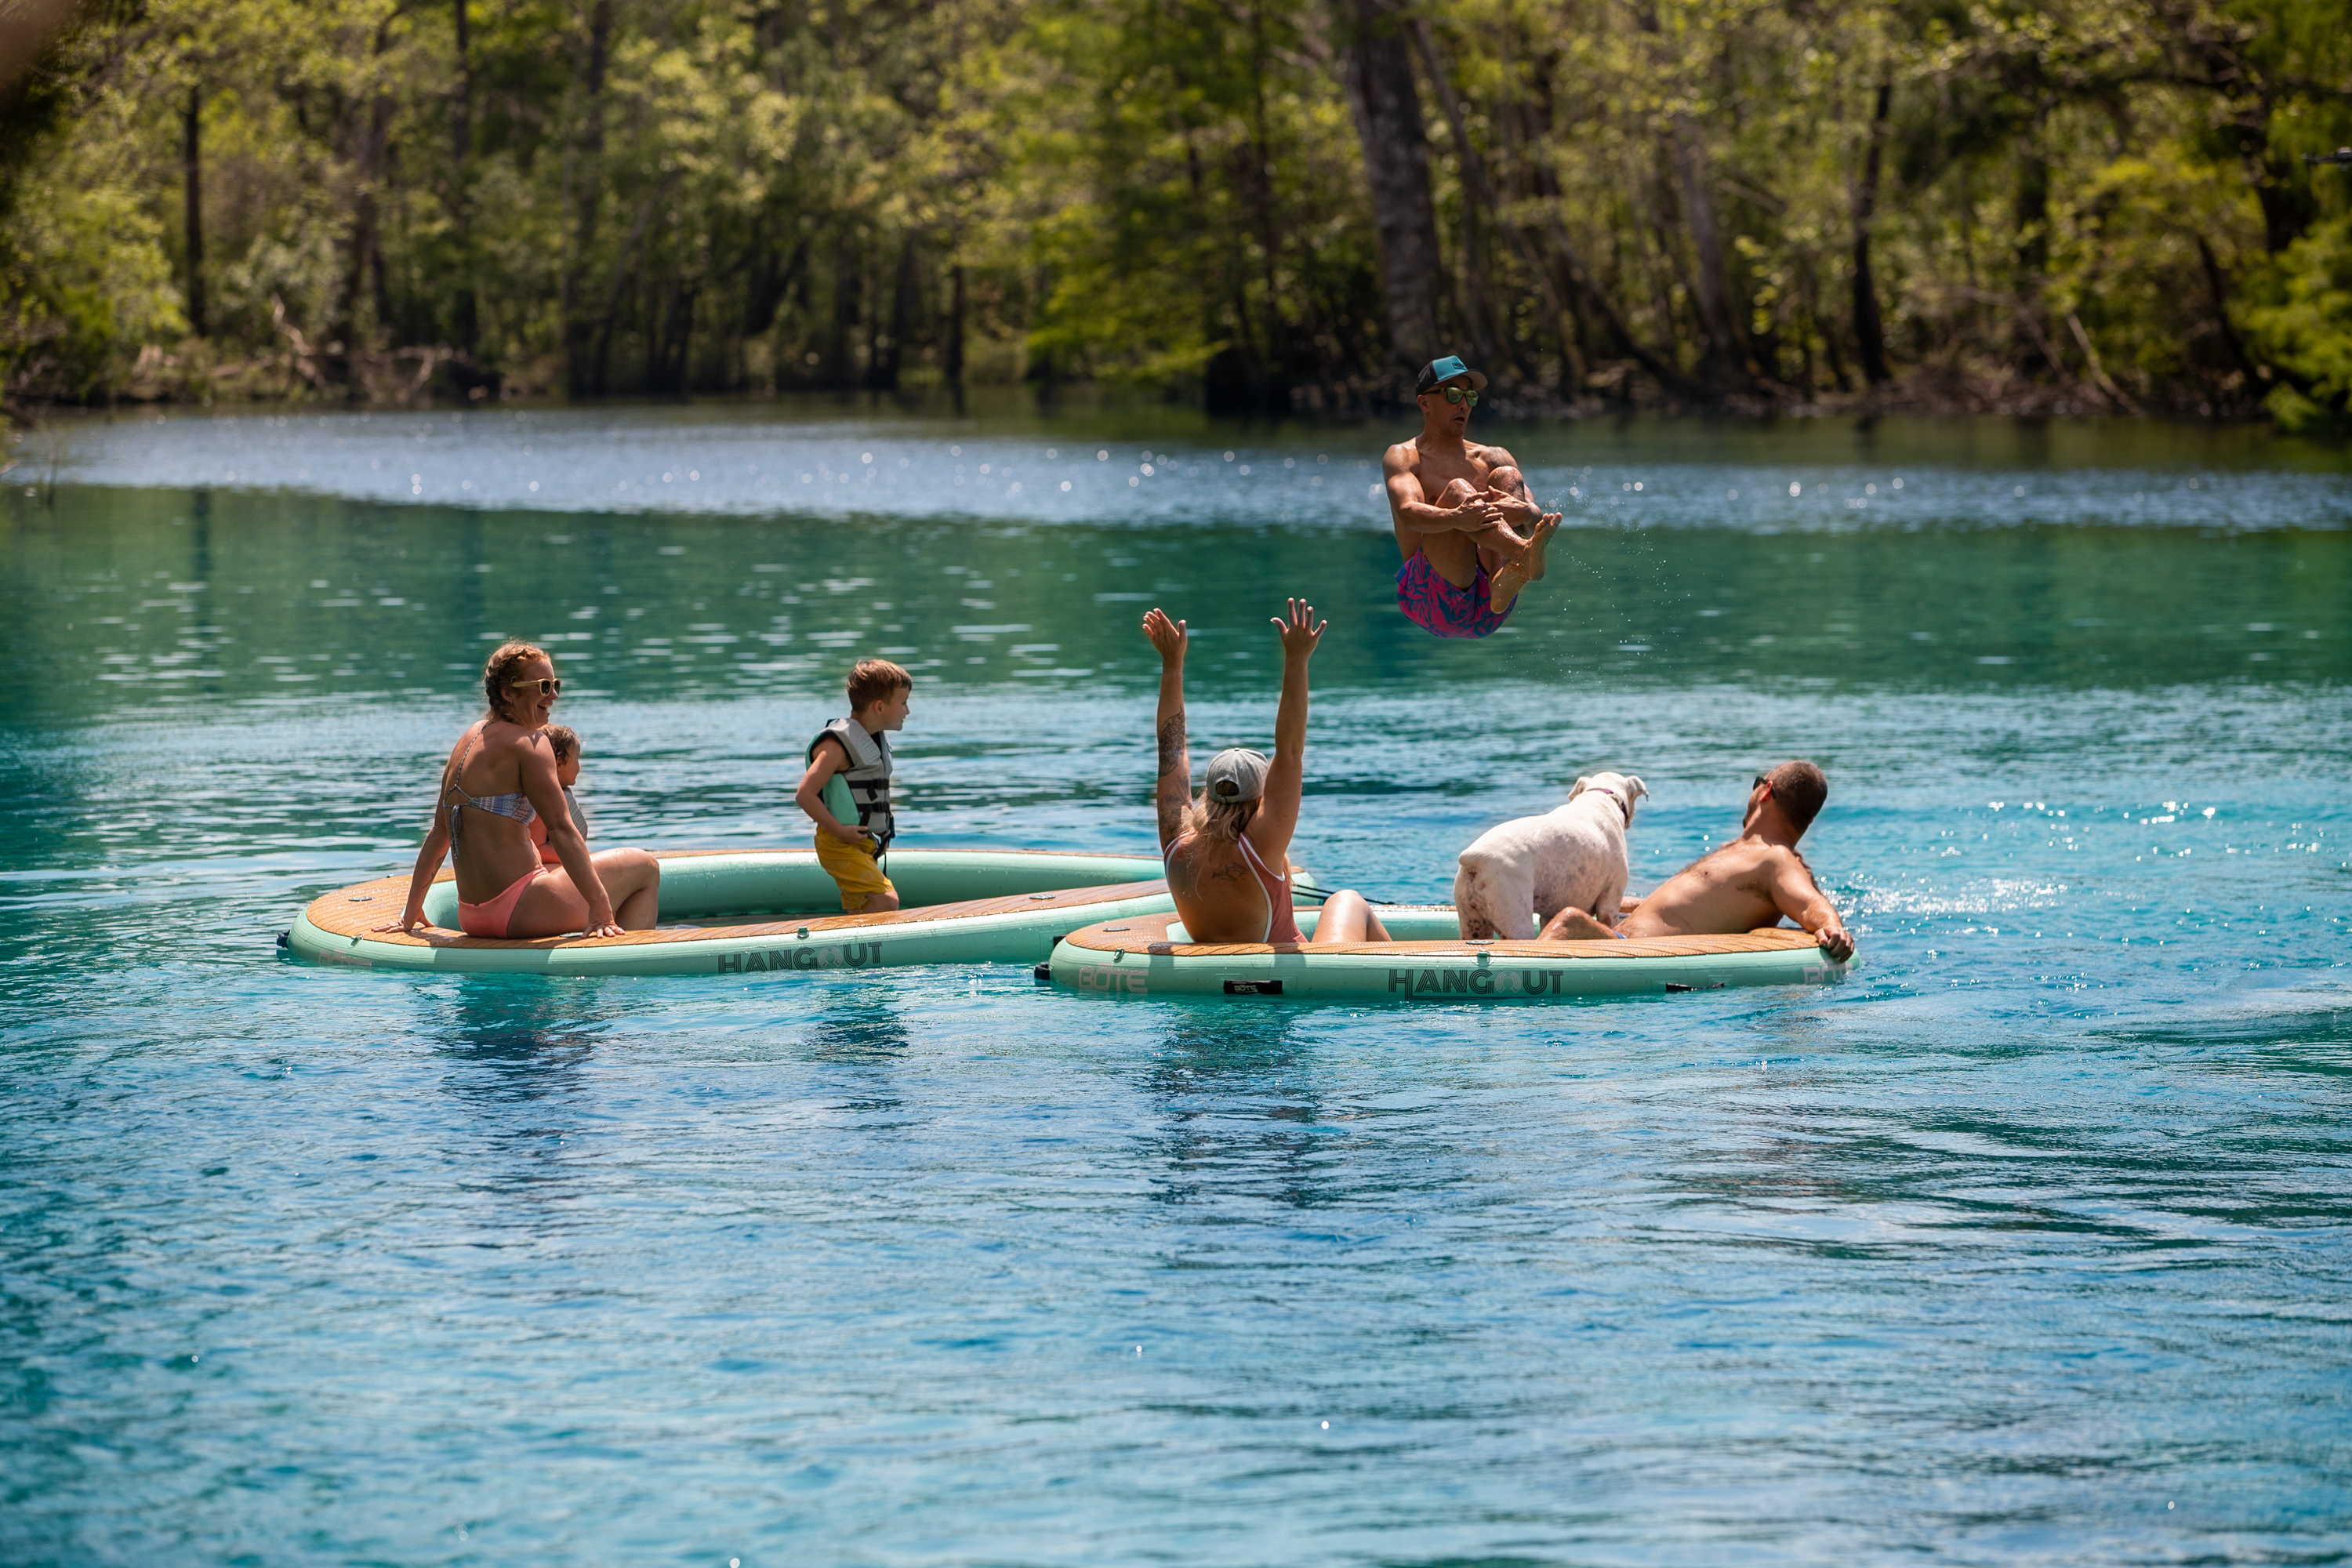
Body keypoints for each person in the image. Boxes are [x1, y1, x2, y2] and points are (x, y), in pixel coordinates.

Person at [1145, 600, 1390, 945]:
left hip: (1214, 981)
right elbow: (1289, 752)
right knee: (1346, 900)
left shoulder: (1177, 845)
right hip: (1293, 986)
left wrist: (1172, 665)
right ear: (1261, 797)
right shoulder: (1263, 843)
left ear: (1209, 793)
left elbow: (1171, 750)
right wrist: (1297, 660)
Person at [379, 642, 660, 939]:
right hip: (522, 909)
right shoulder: (531, 744)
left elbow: (440, 832)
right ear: (508, 693)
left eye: (555, 685)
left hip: (473, 915)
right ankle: (623, 965)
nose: (553, 696)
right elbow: (562, 829)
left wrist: (410, 914)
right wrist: (600, 910)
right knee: (644, 866)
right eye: (543, 686)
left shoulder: (466, 741)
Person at [1541, 760, 1856, 960]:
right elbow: (1679, 909)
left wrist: (1833, 928)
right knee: (1565, 907)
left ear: (1766, 791)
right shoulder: (1739, 850)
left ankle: (1503, 972)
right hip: (1622, 937)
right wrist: (1618, 903)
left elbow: (1810, 903)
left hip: (1636, 951)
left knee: (1569, 919)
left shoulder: (1776, 859)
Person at [1381, 354, 1562, 639]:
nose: (1464, 404)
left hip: (1493, 608)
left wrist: (1527, 514)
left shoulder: (1493, 456)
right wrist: (1456, 518)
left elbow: (1533, 516)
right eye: (1453, 394)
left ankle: (1505, 578)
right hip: (1432, 603)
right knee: (1458, 491)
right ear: (1424, 403)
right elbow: (1408, 512)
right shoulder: (1405, 456)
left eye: (1470, 396)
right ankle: (1521, 553)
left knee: (1508, 476)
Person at [796, 658, 911, 913]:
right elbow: (805, 794)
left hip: (863, 843)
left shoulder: (873, 741)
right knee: (886, 901)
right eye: (903, 703)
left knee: (861, 909)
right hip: (838, 843)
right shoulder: (838, 745)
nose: (908, 710)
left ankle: (854, 950)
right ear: (879, 707)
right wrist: (839, 831)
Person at [529, 724, 588, 867]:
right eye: (577, 758)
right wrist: (581, 857)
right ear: (559, 763)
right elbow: (537, 848)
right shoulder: (543, 800)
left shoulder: (557, 793)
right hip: (548, 871)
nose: (579, 766)